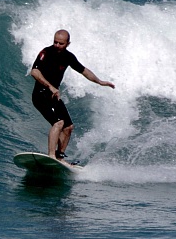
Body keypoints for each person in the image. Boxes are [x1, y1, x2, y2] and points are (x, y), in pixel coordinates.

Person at [29, 30, 115, 161]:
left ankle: (59, 157)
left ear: (68, 44)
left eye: (61, 43)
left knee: (68, 127)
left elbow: (84, 71)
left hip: (53, 97)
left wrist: (100, 82)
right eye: (55, 42)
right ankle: (51, 155)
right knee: (58, 123)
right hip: (40, 95)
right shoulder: (45, 52)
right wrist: (50, 86)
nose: (57, 45)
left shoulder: (68, 57)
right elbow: (34, 72)